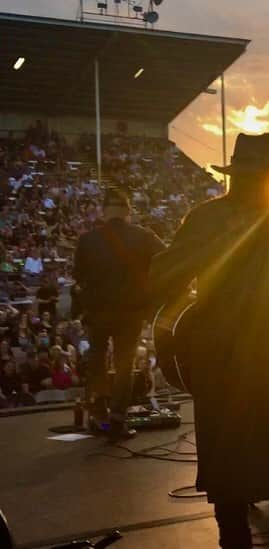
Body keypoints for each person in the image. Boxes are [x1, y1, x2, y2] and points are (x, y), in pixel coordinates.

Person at [149, 133, 269, 549]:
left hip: (224, 360)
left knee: (229, 459)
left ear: (234, 174)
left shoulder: (205, 219)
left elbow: (165, 277)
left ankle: (235, 541)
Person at [73, 189, 165, 441]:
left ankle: (99, 417)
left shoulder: (88, 240)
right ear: (127, 212)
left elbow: (78, 275)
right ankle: (117, 419)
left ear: (104, 213)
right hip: (130, 313)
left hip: (98, 313)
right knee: (124, 365)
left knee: (97, 361)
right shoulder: (143, 237)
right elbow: (167, 260)